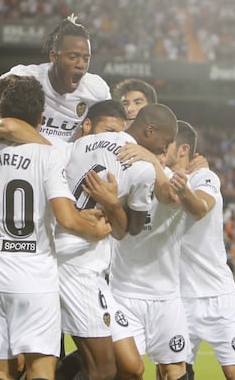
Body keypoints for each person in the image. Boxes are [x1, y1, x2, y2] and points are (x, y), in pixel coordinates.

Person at [0, 75, 112, 380]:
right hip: (34, 280)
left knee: (0, 372)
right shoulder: (47, 155)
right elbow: (67, 219)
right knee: (40, 368)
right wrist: (96, 229)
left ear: (0, 113)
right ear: (41, 117)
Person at [55, 103, 178, 380]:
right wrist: (112, 203)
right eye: (165, 140)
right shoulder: (142, 166)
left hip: (61, 259)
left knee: (128, 367)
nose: (165, 148)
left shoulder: (76, 145)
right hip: (81, 267)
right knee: (104, 369)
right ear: (149, 131)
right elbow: (128, 230)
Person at [92, 121, 199, 380]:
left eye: (166, 147)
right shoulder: (123, 176)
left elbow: (173, 198)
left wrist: (152, 161)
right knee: (129, 371)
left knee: (174, 370)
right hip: (123, 294)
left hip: (166, 297)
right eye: (160, 145)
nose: (163, 150)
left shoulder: (178, 182)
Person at [169, 128, 235, 380]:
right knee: (171, 372)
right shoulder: (158, 179)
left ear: (183, 149)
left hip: (218, 296)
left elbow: (200, 208)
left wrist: (183, 188)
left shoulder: (204, 176)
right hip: (178, 298)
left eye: (166, 142)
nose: (160, 147)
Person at [0, 14, 111, 141]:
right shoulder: (22, 79)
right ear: (54, 56)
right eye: (73, 57)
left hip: (64, 171)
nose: (81, 64)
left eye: (86, 58)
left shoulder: (97, 89)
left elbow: (112, 128)